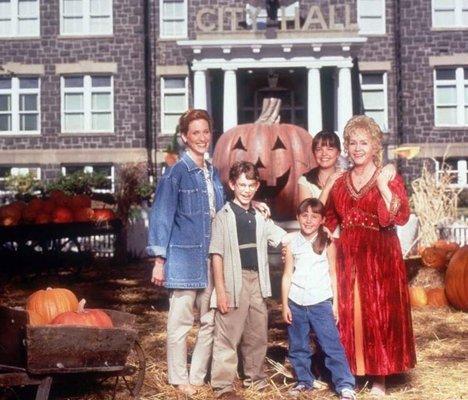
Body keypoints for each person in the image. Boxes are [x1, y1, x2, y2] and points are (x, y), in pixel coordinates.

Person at [326, 115, 416, 396]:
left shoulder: (388, 176)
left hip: (380, 255)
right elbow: (328, 218)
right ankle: (351, 372)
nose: (357, 148)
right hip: (348, 254)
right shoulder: (340, 182)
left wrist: (383, 187)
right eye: (352, 142)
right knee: (350, 311)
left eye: (363, 142)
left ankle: (380, 378)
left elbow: (397, 217)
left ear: (375, 145)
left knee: (378, 312)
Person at [146, 109, 225, 396]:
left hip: (210, 258)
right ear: (184, 137)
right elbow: (162, 216)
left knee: (209, 321)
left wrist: (255, 208)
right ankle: (179, 378)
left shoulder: (212, 173)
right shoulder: (176, 173)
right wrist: (159, 260)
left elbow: (221, 212)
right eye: (196, 133)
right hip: (182, 258)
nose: (202, 138)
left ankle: (197, 376)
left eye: (206, 132)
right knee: (179, 323)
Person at [209, 161, 286, 400]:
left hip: (257, 280)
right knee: (228, 334)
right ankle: (223, 385)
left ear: (257, 186)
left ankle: (256, 377)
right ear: (232, 185)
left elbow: (283, 238)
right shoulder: (224, 216)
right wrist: (221, 291)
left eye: (251, 185)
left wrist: (315, 233)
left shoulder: (260, 215)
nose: (246, 190)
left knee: (257, 332)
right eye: (241, 185)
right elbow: (217, 255)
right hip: (234, 279)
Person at [282, 198, 356, 400]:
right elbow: (287, 274)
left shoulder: (327, 242)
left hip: (320, 302)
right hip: (296, 302)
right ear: (298, 217)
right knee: (298, 347)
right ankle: (304, 381)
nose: (308, 220)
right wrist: (285, 305)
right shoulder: (292, 243)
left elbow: (333, 273)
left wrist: (335, 304)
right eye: (304, 215)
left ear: (322, 220)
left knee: (331, 345)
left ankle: (345, 385)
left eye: (314, 216)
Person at [298, 130, 344, 206]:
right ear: (314, 153)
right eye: (319, 149)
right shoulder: (305, 181)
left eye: (330, 149)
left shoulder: (346, 178)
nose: (324, 154)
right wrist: (327, 187)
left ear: (338, 153)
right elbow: (310, 215)